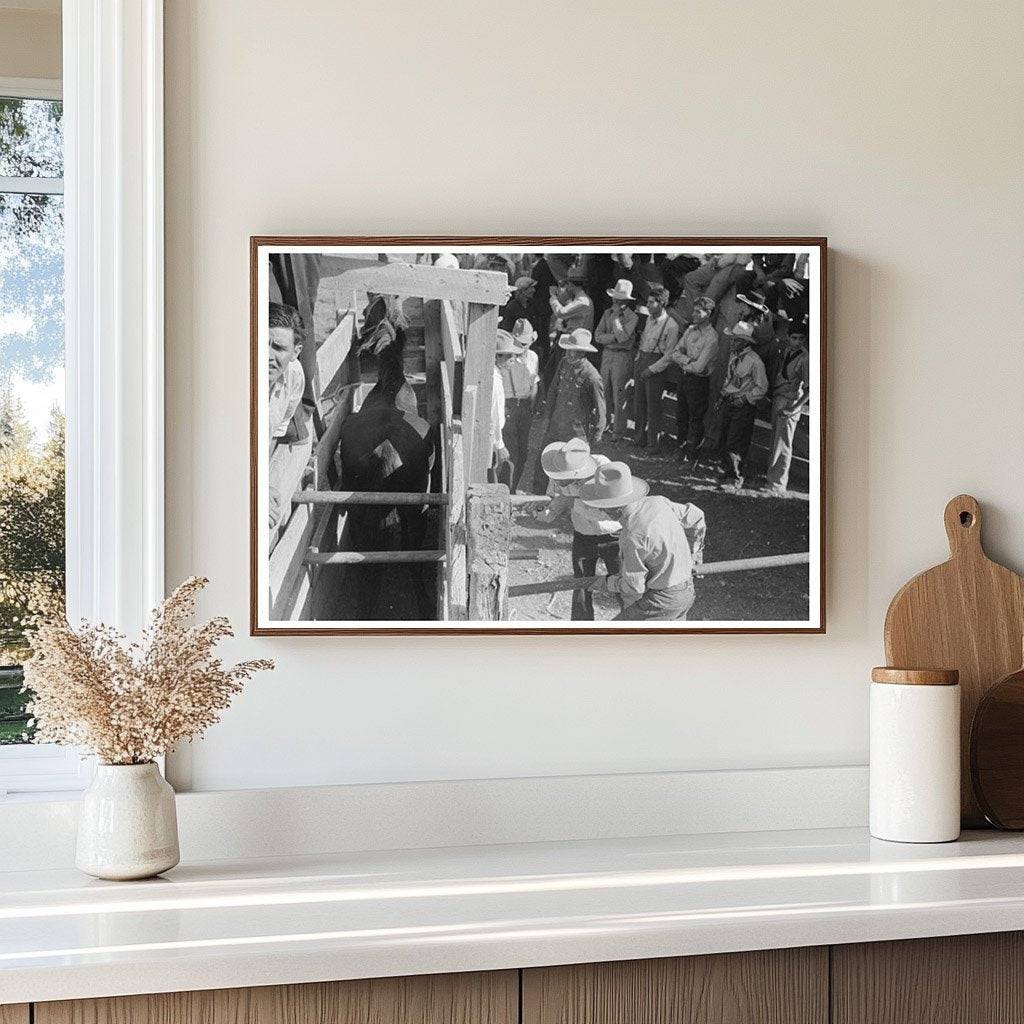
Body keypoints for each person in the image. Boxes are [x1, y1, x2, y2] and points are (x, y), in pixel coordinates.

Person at [579, 462, 707, 621]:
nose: (600, 510)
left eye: (601, 505)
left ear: (614, 507)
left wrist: (606, 583)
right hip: (686, 589)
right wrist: (694, 553)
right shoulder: (658, 502)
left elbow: (634, 587)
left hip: (662, 600)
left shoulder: (632, 535)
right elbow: (696, 516)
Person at [536, 439, 621, 620]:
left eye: (565, 479)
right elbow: (559, 498)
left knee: (623, 584)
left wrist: (572, 501)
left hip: (612, 535)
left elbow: (605, 512)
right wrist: (546, 512)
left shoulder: (604, 469)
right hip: (583, 534)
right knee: (581, 585)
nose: (559, 482)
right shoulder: (558, 465)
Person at [642, 295, 718, 464]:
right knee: (681, 416)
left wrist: (685, 361)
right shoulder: (690, 331)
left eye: (699, 312)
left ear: (709, 314)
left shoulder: (711, 338)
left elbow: (699, 368)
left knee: (696, 419)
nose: (694, 315)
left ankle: (693, 456)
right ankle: (680, 449)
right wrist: (688, 362)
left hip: (698, 383)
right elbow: (676, 353)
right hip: (684, 379)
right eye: (694, 311)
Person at [532, 328, 606, 493]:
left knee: (570, 470)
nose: (572, 355)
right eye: (569, 350)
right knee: (543, 461)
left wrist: (596, 436)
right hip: (556, 425)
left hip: (575, 433)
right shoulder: (564, 363)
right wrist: (547, 417)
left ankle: (566, 504)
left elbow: (601, 410)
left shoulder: (592, 376)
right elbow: (553, 390)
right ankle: (536, 497)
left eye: (577, 352)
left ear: (584, 353)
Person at [716, 321, 768, 490]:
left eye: (735, 340)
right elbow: (730, 380)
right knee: (724, 438)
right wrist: (723, 396)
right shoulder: (735, 357)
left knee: (735, 442)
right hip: (730, 402)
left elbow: (762, 387)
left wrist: (745, 399)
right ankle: (728, 471)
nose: (732, 343)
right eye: (732, 339)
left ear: (745, 342)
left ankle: (736, 478)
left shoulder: (754, 361)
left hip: (743, 406)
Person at [632, 285, 679, 450]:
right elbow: (643, 342)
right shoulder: (649, 320)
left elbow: (670, 355)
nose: (648, 305)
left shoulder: (671, 325)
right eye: (648, 301)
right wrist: (639, 360)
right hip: (643, 360)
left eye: (651, 302)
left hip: (656, 366)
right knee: (639, 403)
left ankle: (653, 444)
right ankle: (638, 439)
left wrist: (651, 369)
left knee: (653, 407)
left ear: (662, 304)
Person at [497, 321, 540, 493]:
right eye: (520, 343)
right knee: (511, 452)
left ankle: (512, 489)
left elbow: (534, 382)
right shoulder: (508, 358)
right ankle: (504, 491)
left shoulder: (533, 357)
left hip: (525, 407)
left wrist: (532, 405)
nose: (523, 347)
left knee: (523, 452)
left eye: (526, 343)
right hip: (509, 406)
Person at [594, 279, 639, 440]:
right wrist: (613, 337)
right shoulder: (607, 313)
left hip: (622, 355)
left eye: (619, 298)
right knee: (604, 389)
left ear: (625, 300)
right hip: (608, 354)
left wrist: (616, 323)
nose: (615, 301)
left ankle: (618, 431)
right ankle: (603, 423)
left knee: (619, 393)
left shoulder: (632, 317)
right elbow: (598, 336)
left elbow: (623, 338)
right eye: (615, 298)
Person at [765, 329, 810, 494]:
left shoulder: (805, 358)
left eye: (801, 338)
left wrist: (794, 408)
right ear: (788, 337)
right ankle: (771, 479)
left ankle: (777, 484)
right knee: (775, 441)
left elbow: (810, 389)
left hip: (790, 401)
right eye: (794, 337)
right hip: (778, 397)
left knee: (783, 443)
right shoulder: (785, 351)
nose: (797, 341)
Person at [268, 301, 306, 445]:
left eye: (278, 348)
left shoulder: (294, 376)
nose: (267, 355)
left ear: (295, 352)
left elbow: (275, 433)